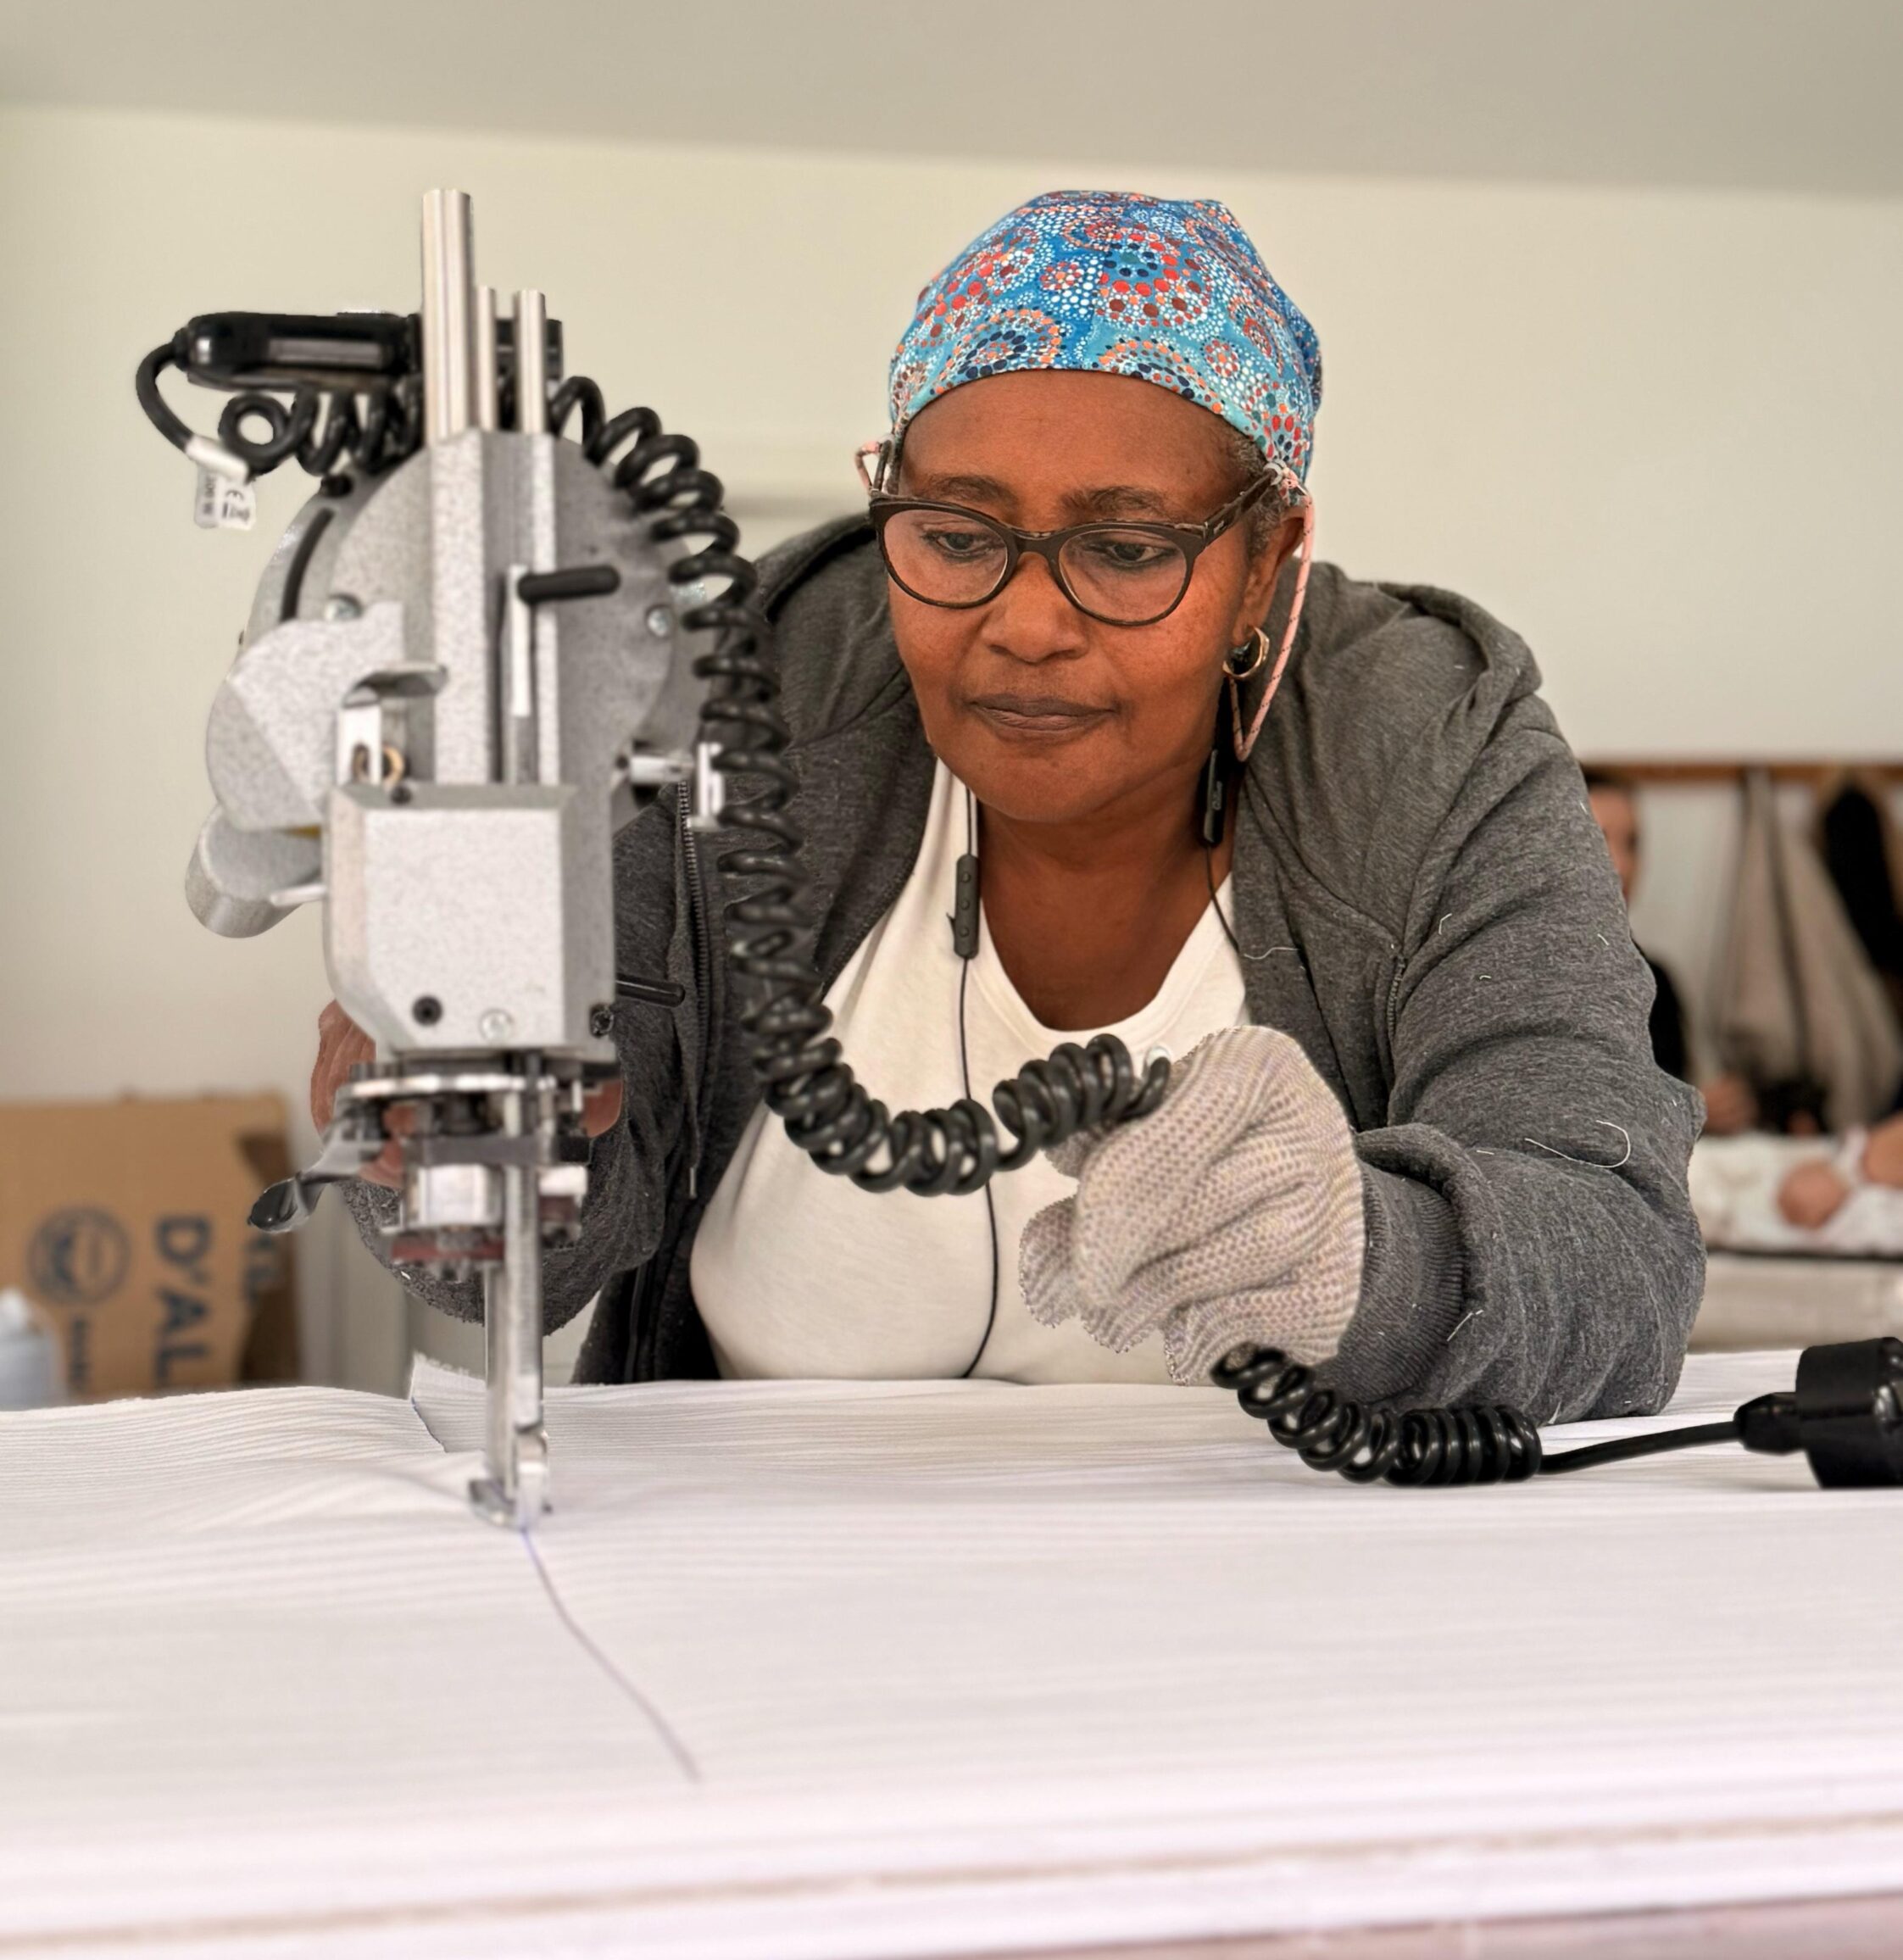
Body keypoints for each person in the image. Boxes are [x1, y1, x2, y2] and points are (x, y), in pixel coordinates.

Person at [316, 190, 1702, 1418]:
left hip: (1285, 1629)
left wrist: (1372, 1260)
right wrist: (448, 1151)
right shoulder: (754, 689)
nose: (1026, 624)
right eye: (958, 536)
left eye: (1125, 548)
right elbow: (554, 1243)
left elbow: (1620, 1271)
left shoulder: (1434, 739)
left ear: (1268, 562)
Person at [1583, 770, 1757, 1136]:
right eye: (1596, 840)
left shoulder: (1655, 977)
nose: (1622, 866)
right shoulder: (1521, 983)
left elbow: (1689, 1087)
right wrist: (1682, 1112)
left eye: (1632, 843)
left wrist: (1723, 1106)